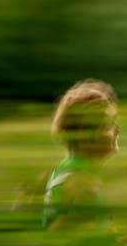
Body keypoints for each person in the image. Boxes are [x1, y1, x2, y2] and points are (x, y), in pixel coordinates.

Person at [42, 79, 120, 231]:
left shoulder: (70, 168)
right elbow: (55, 236)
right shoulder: (80, 181)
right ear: (85, 135)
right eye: (108, 125)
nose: (117, 130)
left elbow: (106, 234)